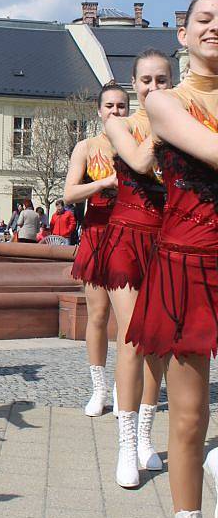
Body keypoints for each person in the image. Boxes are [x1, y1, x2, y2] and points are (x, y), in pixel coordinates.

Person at [127, 0, 218, 518]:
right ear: (183, 33)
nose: (217, 28)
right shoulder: (164, 101)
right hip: (191, 262)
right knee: (188, 418)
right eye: (206, 19)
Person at [96, 50, 172, 489]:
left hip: (168, 237)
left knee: (158, 343)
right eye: (145, 80)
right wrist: (170, 125)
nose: (153, 88)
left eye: (162, 79)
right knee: (131, 337)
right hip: (127, 235)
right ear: (133, 84)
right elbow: (142, 163)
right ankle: (125, 444)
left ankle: (145, 435)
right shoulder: (120, 124)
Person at [64, 82, 127, 416]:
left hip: (130, 236)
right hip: (97, 234)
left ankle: (123, 386)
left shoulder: (138, 145)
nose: (115, 112)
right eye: (110, 106)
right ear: (99, 111)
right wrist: (103, 183)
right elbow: (68, 193)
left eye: (121, 106)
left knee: (128, 319)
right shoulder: (86, 147)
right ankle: (99, 389)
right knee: (99, 315)